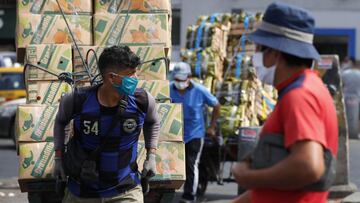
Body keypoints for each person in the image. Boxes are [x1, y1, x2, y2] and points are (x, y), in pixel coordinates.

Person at [231, 2, 338, 203]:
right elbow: (279, 188)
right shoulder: (306, 87)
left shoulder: (299, 96)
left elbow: (308, 166)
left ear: (275, 53)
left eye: (259, 49)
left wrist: (248, 177)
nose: (255, 57)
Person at [53, 46, 160, 203]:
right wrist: (58, 159)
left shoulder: (142, 101)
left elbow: (153, 122)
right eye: (131, 74)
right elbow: (60, 122)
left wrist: (151, 155)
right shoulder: (77, 100)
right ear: (111, 78)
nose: (136, 78)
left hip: (126, 190)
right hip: (81, 191)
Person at [170, 62, 221, 203]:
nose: (179, 83)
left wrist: (211, 127)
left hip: (195, 134)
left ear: (189, 77)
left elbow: (216, 105)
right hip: (174, 134)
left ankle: (189, 196)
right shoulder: (168, 89)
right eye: (177, 79)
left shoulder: (200, 90)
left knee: (191, 164)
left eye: (182, 79)